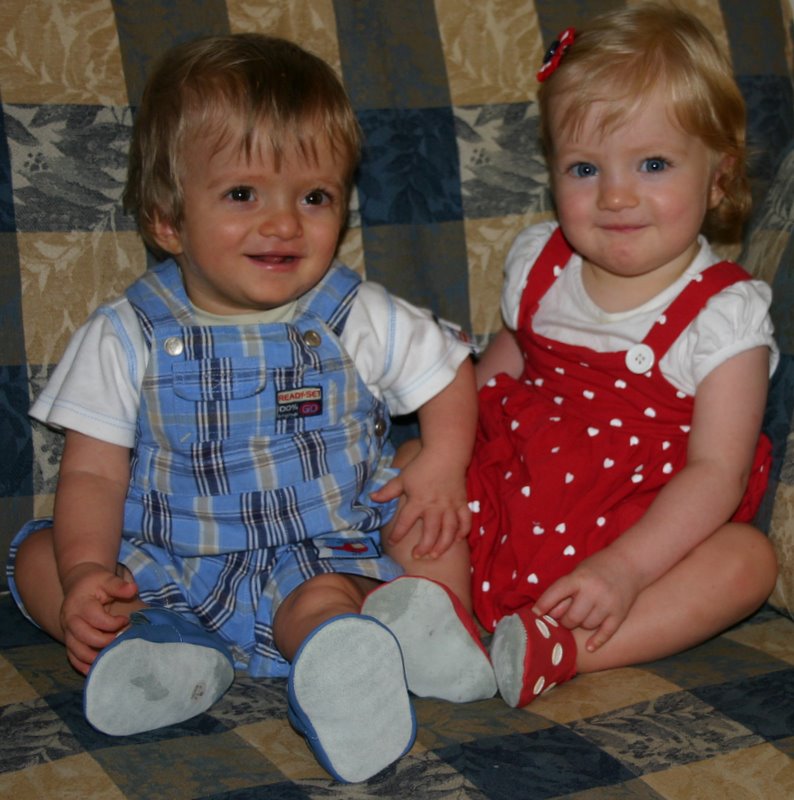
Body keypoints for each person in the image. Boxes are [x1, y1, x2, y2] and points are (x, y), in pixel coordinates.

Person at [5, 33, 478, 783]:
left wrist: (444, 462)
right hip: (163, 559)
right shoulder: (125, 333)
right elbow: (93, 475)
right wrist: (88, 569)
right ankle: (155, 651)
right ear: (167, 218)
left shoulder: (354, 314)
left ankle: (340, 666)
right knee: (39, 558)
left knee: (344, 582)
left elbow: (448, 372)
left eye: (314, 197)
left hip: (314, 553)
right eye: (242, 194)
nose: (284, 223)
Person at [362, 2, 779, 711]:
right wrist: (442, 460)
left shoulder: (724, 313)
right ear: (553, 170)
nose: (615, 195)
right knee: (413, 467)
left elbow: (718, 471)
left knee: (747, 563)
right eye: (585, 167)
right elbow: (495, 374)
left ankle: (561, 649)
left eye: (653, 164)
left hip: (643, 528)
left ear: (718, 178)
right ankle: (443, 621)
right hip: (513, 489)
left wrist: (624, 568)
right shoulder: (539, 264)